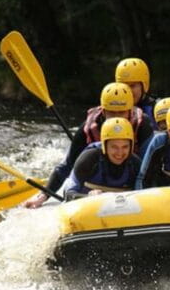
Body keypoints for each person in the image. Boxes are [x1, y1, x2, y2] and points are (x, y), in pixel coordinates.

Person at [23, 82, 153, 209]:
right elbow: (67, 165)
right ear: (103, 111)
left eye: (122, 112)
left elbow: (146, 168)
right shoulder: (89, 129)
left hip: (126, 177)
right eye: (112, 113)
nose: (116, 117)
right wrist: (43, 195)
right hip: (95, 179)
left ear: (130, 111)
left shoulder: (143, 126)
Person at [62, 117, 141, 200]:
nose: (120, 153)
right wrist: (88, 197)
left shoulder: (135, 164)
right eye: (114, 147)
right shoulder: (89, 160)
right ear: (104, 146)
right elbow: (68, 193)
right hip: (88, 207)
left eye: (125, 147)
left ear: (131, 146)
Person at [115, 58, 157, 131]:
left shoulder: (156, 109)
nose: (127, 91)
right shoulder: (110, 110)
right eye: (124, 86)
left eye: (132, 86)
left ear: (144, 86)